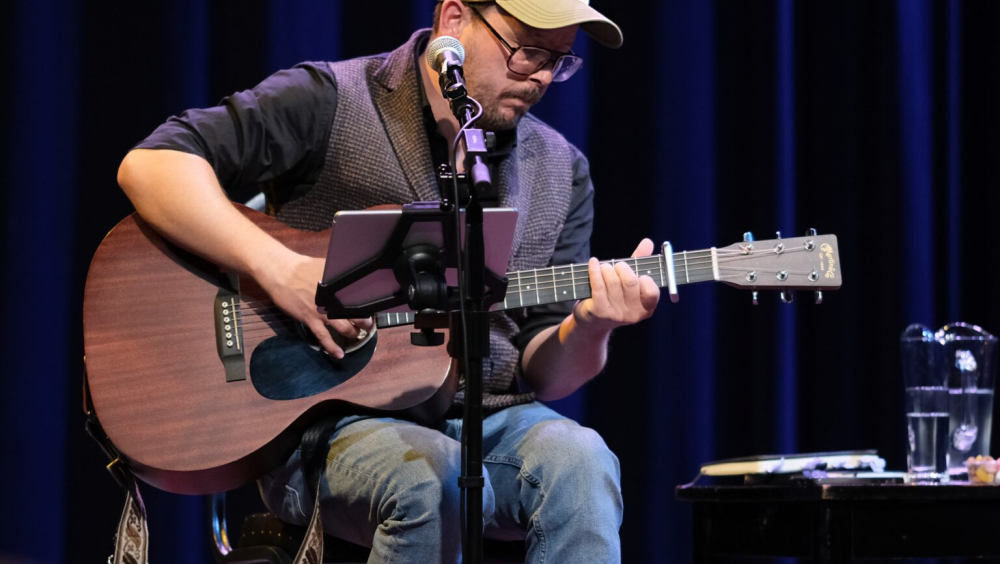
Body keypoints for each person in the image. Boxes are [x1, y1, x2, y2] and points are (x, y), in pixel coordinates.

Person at [117, 0, 659, 561]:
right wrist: (278, 269)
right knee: (430, 478)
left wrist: (591, 326)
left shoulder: (562, 170)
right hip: (323, 422)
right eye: (525, 52)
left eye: (558, 60)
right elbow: (152, 165)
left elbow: (544, 373)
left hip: (487, 420)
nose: (541, 77)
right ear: (454, 20)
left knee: (583, 461)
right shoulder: (331, 98)